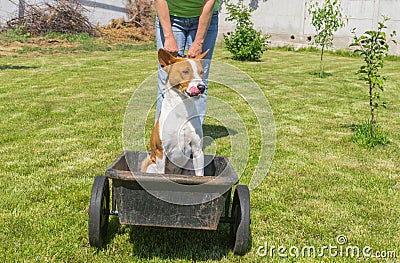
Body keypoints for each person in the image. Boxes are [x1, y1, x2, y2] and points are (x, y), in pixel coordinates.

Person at [154, 0, 219, 123]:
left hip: (205, 17)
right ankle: (163, 137)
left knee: (199, 82)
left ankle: (194, 137)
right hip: (171, 16)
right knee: (165, 81)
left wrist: (199, 42)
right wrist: (168, 37)